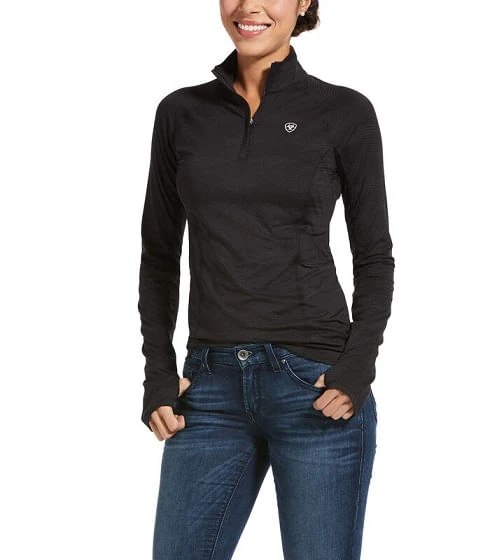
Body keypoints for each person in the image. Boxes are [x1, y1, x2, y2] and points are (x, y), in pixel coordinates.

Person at [137, 1, 395, 558]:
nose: (248, 6)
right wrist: (158, 372)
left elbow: (374, 256)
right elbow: (159, 254)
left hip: (314, 387)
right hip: (208, 389)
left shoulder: (343, 111)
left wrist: (356, 369)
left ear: (303, 3)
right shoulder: (181, 112)